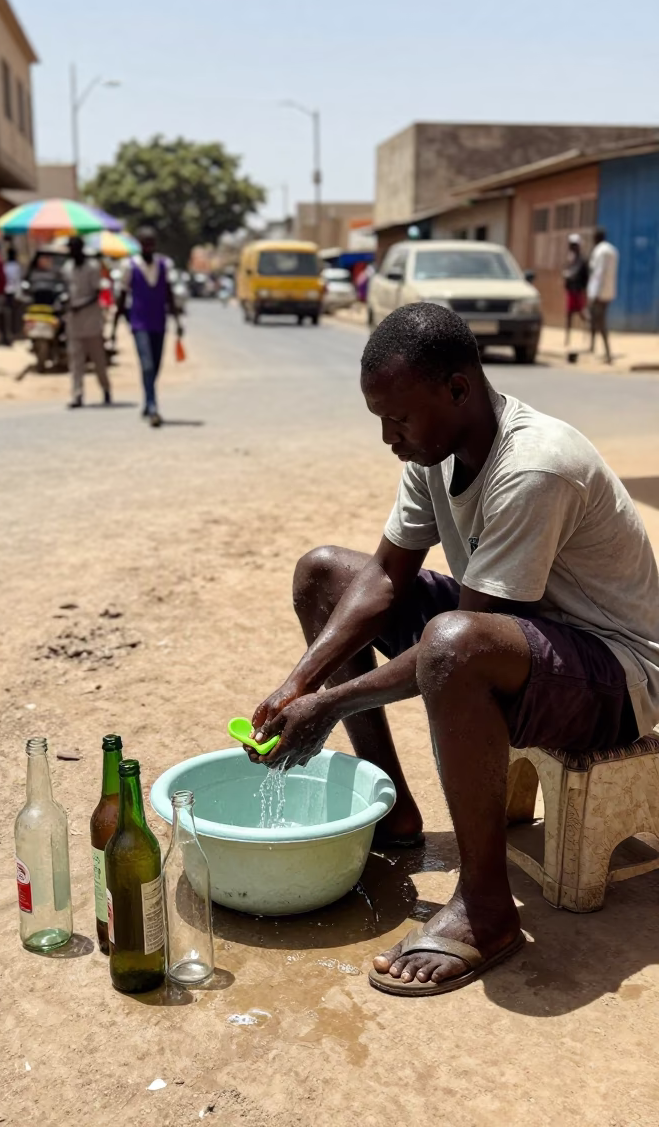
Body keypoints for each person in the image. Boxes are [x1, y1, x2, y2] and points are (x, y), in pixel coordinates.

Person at [249, 302, 659, 997]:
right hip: (524, 637)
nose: (388, 436)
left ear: (459, 390)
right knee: (324, 574)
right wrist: (300, 684)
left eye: (399, 420)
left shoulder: (536, 466)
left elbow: (465, 636)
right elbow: (384, 577)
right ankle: (396, 814)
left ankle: (487, 910)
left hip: (619, 676)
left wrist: (330, 704)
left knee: (453, 645)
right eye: (381, 419)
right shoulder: (434, 449)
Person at [113, 225, 180, 428]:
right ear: (139, 245)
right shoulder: (129, 266)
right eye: (145, 243)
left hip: (159, 321)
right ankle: (153, 407)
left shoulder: (165, 265)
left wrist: (178, 322)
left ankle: (147, 400)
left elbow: (169, 295)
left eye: (151, 243)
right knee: (147, 364)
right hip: (139, 322)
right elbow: (122, 297)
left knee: (156, 365)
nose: (149, 247)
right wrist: (114, 326)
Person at [63, 236, 111, 409]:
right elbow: (67, 289)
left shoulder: (92, 267)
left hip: (91, 321)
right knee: (76, 361)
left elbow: (97, 292)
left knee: (98, 360)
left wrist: (80, 305)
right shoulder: (67, 268)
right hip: (74, 323)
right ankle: (77, 395)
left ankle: (105, 389)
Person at [587, 227, 618, 364]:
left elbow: (598, 274)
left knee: (600, 322)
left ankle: (608, 353)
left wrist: (593, 294)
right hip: (609, 291)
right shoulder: (612, 250)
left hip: (599, 293)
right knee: (595, 319)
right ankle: (592, 346)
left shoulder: (600, 252)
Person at [562, 233, 588, 347]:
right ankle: (567, 338)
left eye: (574, 245)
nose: (572, 247)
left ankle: (588, 335)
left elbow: (578, 273)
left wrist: (569, 275)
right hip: (571, 290)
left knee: (582, 314)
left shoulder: (581, 259)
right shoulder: (570, 258)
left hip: (578, 290)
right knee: (569, 314)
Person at [3, 244, 23, 342]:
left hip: (7, 292)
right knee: (15, 314)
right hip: (14, 292)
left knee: (9, 314)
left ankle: (10, 332)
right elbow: (18, 280)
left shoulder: (5, 266)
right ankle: (15, 331)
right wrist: (19, 294)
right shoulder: (16, 266)